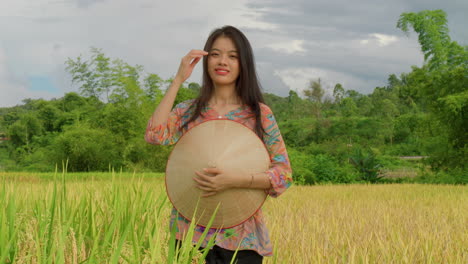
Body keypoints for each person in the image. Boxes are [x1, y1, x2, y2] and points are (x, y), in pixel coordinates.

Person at [145, 25, 293, 264]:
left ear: (243, 63)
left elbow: (283, 176)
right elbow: (154, 135)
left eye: (232, 56)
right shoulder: (189, 111)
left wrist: (235, 180)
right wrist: (178, 80)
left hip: (242, 240)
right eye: (215, 54)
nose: (222, 61)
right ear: (205, 60)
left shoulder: (259, 114)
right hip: (189, 234)